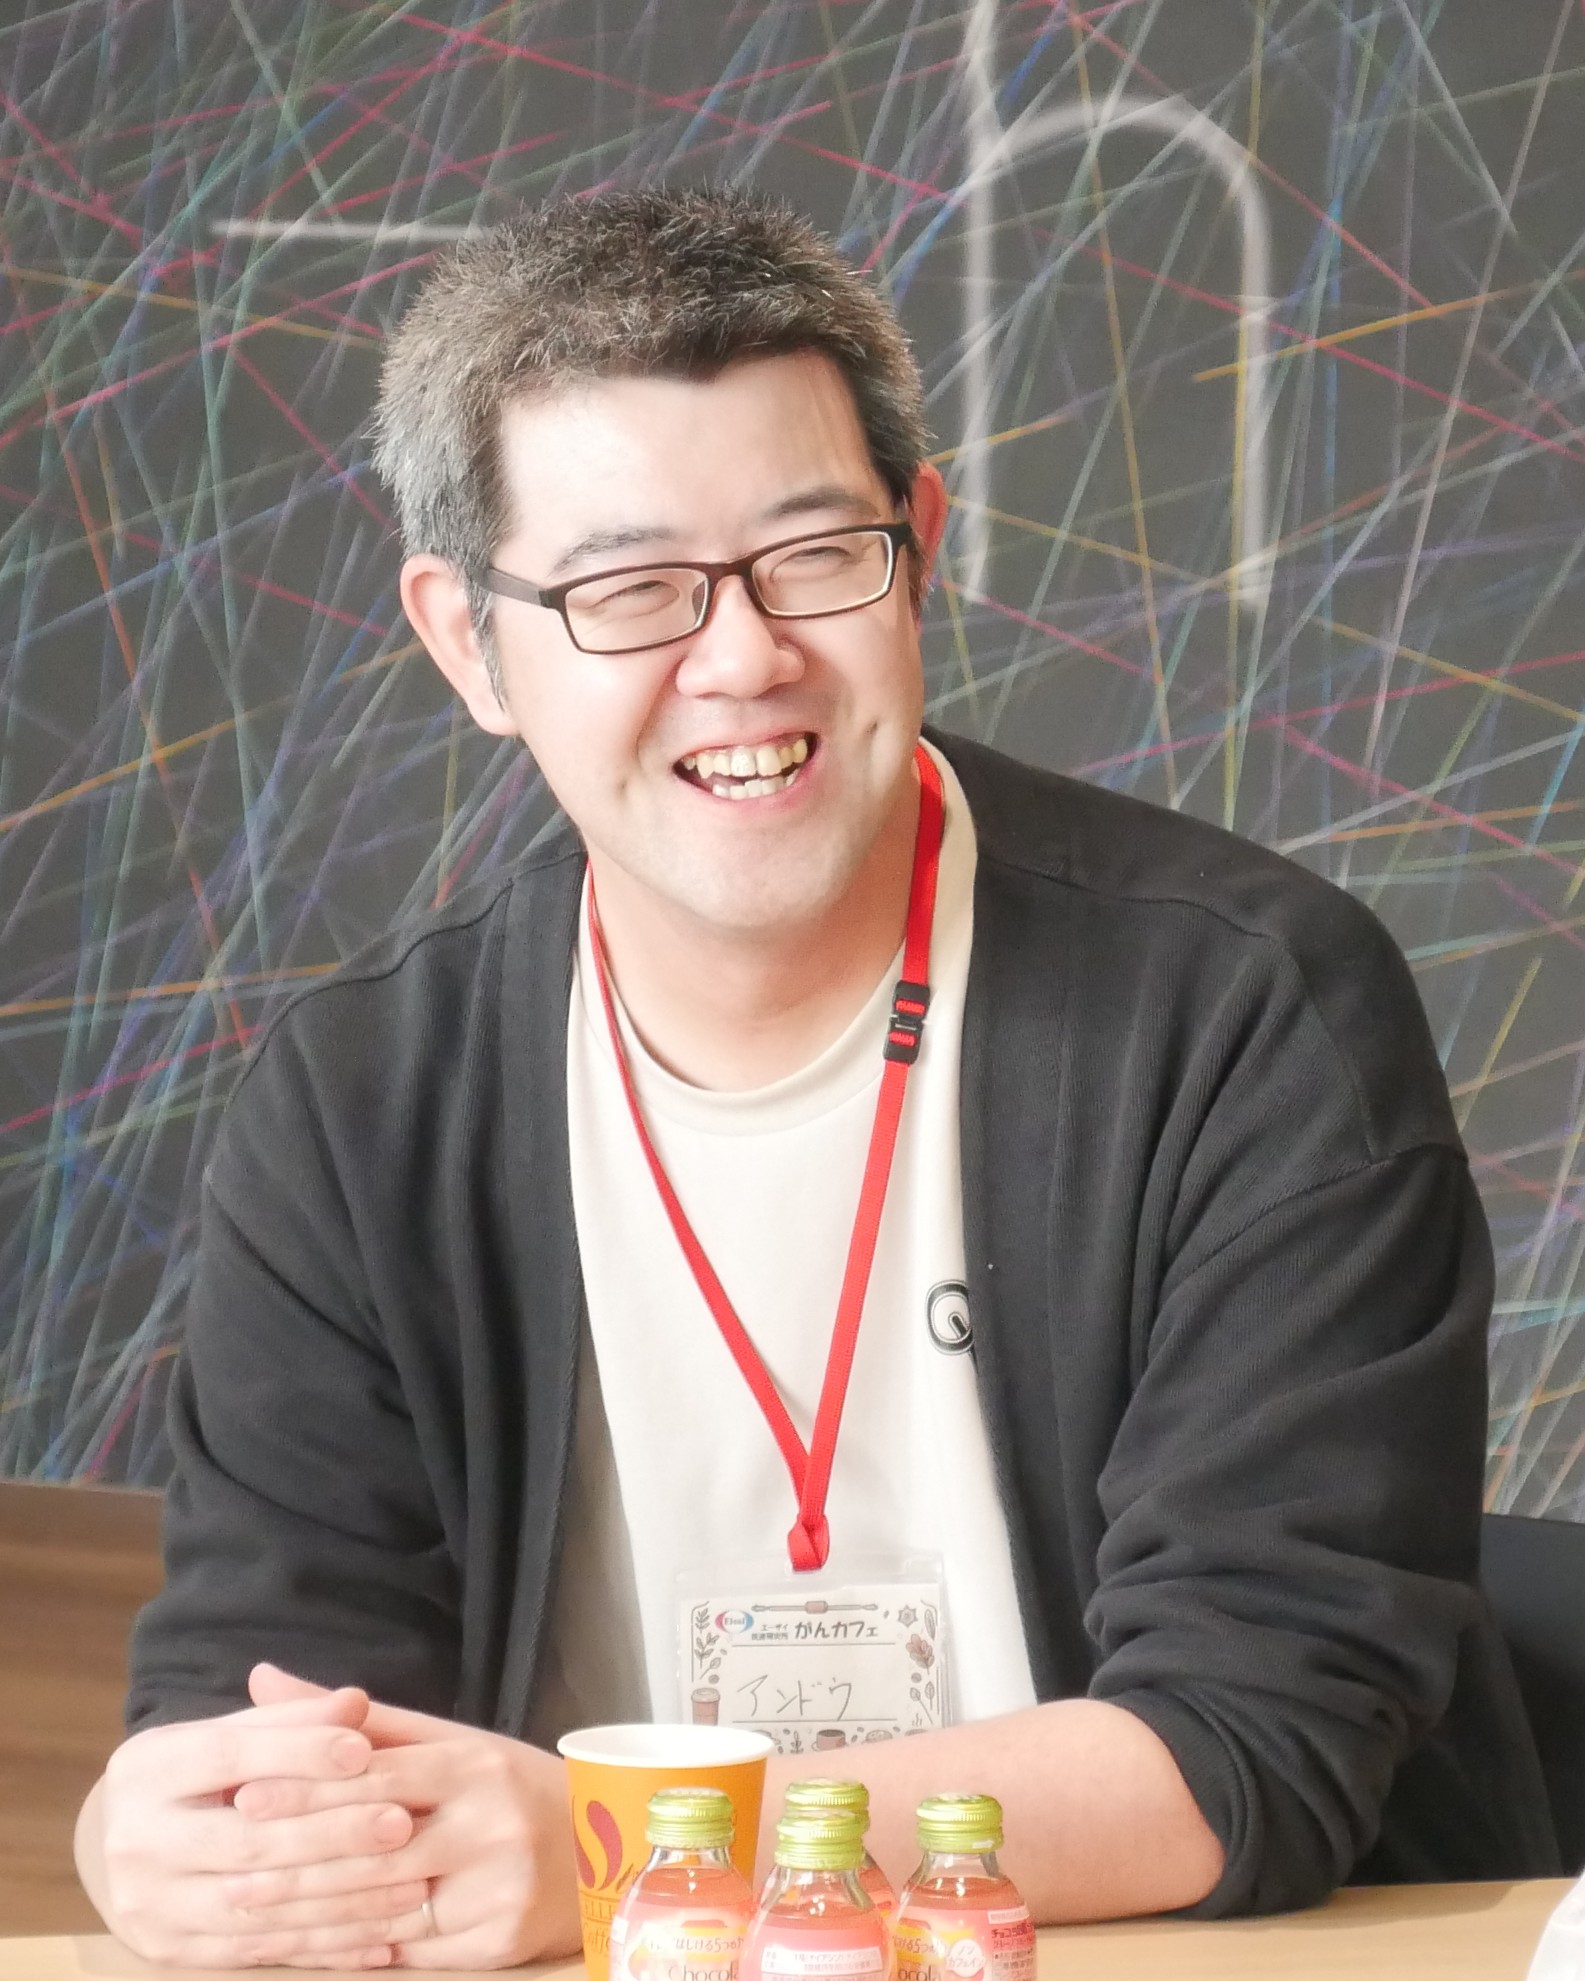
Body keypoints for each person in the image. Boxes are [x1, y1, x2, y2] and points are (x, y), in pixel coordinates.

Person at [74, 187, 1555, 1971]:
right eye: (629, 589)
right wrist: (178, 1826)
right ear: (468, 641)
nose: (741, 658)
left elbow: (1250, 1745)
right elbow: (281, 1707)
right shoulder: (363, 1106)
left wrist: (632, 1849)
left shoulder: (1247, 1011)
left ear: (916, 548)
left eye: (813, 554)